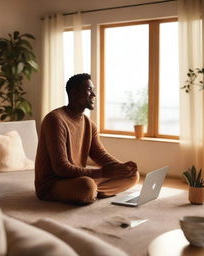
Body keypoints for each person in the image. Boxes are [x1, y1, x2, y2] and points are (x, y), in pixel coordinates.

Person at [35, 73, 139, 205]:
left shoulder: (89, 124)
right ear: (74, 93)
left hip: (77, 180)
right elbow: (61, 168)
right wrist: (102, 173)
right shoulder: (55, 120)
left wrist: (121, 168)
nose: (94, 95)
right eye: (89, 90)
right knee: (86, 186)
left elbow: (101, 155)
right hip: (53, 184)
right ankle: (91, 192)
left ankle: (92, 193)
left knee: (132, 176)